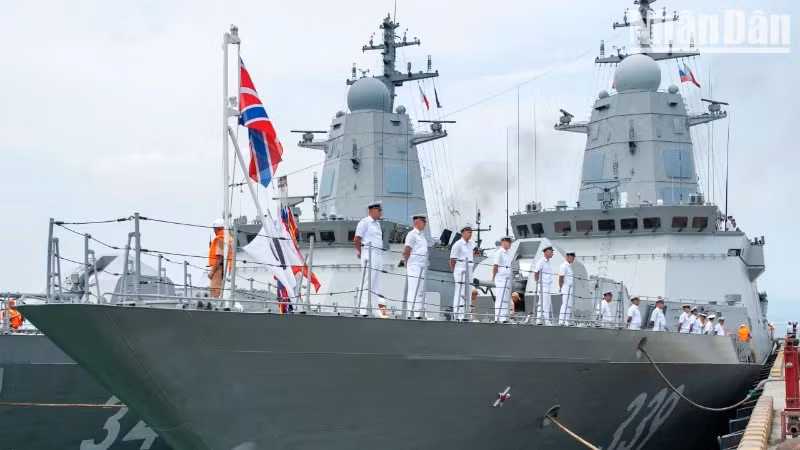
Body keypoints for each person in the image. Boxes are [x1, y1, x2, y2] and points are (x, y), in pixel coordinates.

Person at [354, 201, 386, 318]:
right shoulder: (364, 223)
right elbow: (357, 239)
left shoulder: (377, 224)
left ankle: (375, 308)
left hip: (378, 254)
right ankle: (362, 309)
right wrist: (362, 253)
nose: (380, 213)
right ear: (371, 210)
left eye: (380, 210)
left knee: (376, 283)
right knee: (367, 282)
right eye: (378, 210)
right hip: (369, 253)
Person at [403, 214, 429, 319]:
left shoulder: (422, 236)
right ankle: (412, 312)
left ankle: (420, 312)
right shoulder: (412, 235)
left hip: (422, 266)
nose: (425, 224)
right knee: (414, 289)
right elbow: (406, 250)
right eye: (424, 221)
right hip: (414, 265)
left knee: (421, 290)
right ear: (417, 222)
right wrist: (406, 261)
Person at [449, 224, 475, 321]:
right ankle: (458, 315)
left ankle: (466, 314)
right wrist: (454, 272)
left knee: (468, 292)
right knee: (460, 292)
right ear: (463, 232)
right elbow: (452, 260)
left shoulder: (471, 244)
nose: (470, 234)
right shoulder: (457, 244)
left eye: (471, 233)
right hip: (460, 269)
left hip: (469, 269)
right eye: (469, 232)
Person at [208, 218, 233, 299]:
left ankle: (216, 304)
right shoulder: (228, 238)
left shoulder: (221, 239)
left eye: (214, 229)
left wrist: (212, 271)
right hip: (225, 267)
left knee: (215, 289)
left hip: (219, 268)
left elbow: (219, 257)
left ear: (217, 229)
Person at [492, 236, 514, 323]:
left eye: (510, 242)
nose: (510, 243)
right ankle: (499, 317)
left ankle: (504, 317)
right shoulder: (499, 253)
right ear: (503, 242)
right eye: (508, 242)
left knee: (506, 298)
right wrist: (494, 276)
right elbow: (495, 266)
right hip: (500, 278)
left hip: (507, 278)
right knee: (500, 298)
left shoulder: (508, 253)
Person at [533, 246, 555, 326]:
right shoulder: (541, 261)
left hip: (548, 285)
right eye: (551, 252)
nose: (552, 253)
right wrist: (537, 281)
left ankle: (546, 320)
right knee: (542, 302)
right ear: (546, 252)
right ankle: (539, 320)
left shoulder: (549, 262)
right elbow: (536, 272)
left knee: (547, 303)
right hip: (543, 285)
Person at [558, 252, 576, 326]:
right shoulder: (564, 266)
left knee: (569, 305)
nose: (573, 260)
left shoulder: (569, 266)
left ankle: (566, 320)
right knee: (565, 304)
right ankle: (561, 321)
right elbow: (561, 278)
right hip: (565, 287)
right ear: (568, 257)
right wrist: (561, 287)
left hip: (570, 288)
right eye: (572, 258)